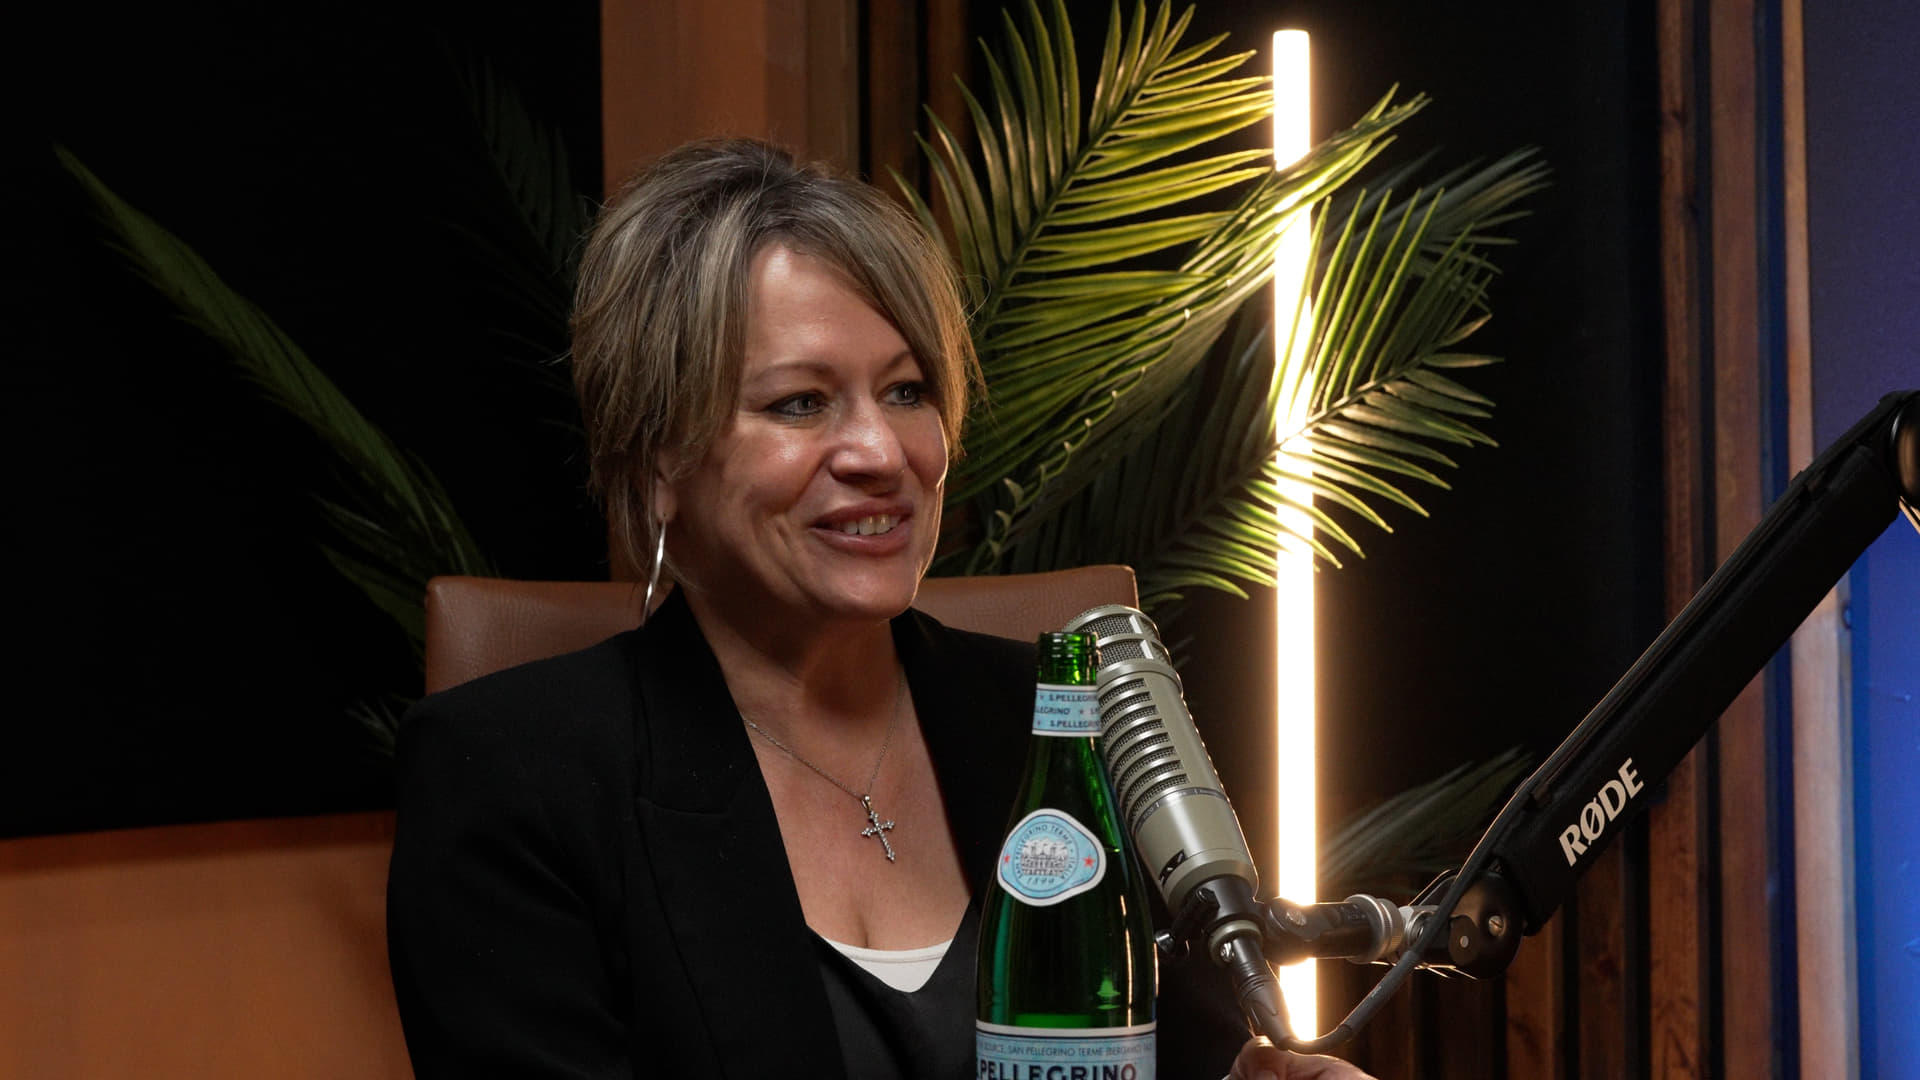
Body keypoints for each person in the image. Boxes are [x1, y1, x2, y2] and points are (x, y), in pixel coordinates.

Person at [386, 137, 1374, 1080]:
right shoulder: (506, 780)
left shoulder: (1072, 726)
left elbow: (1192, 1056)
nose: (881, 453)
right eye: (800, 403)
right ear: (659, 462)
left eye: (906, 392)